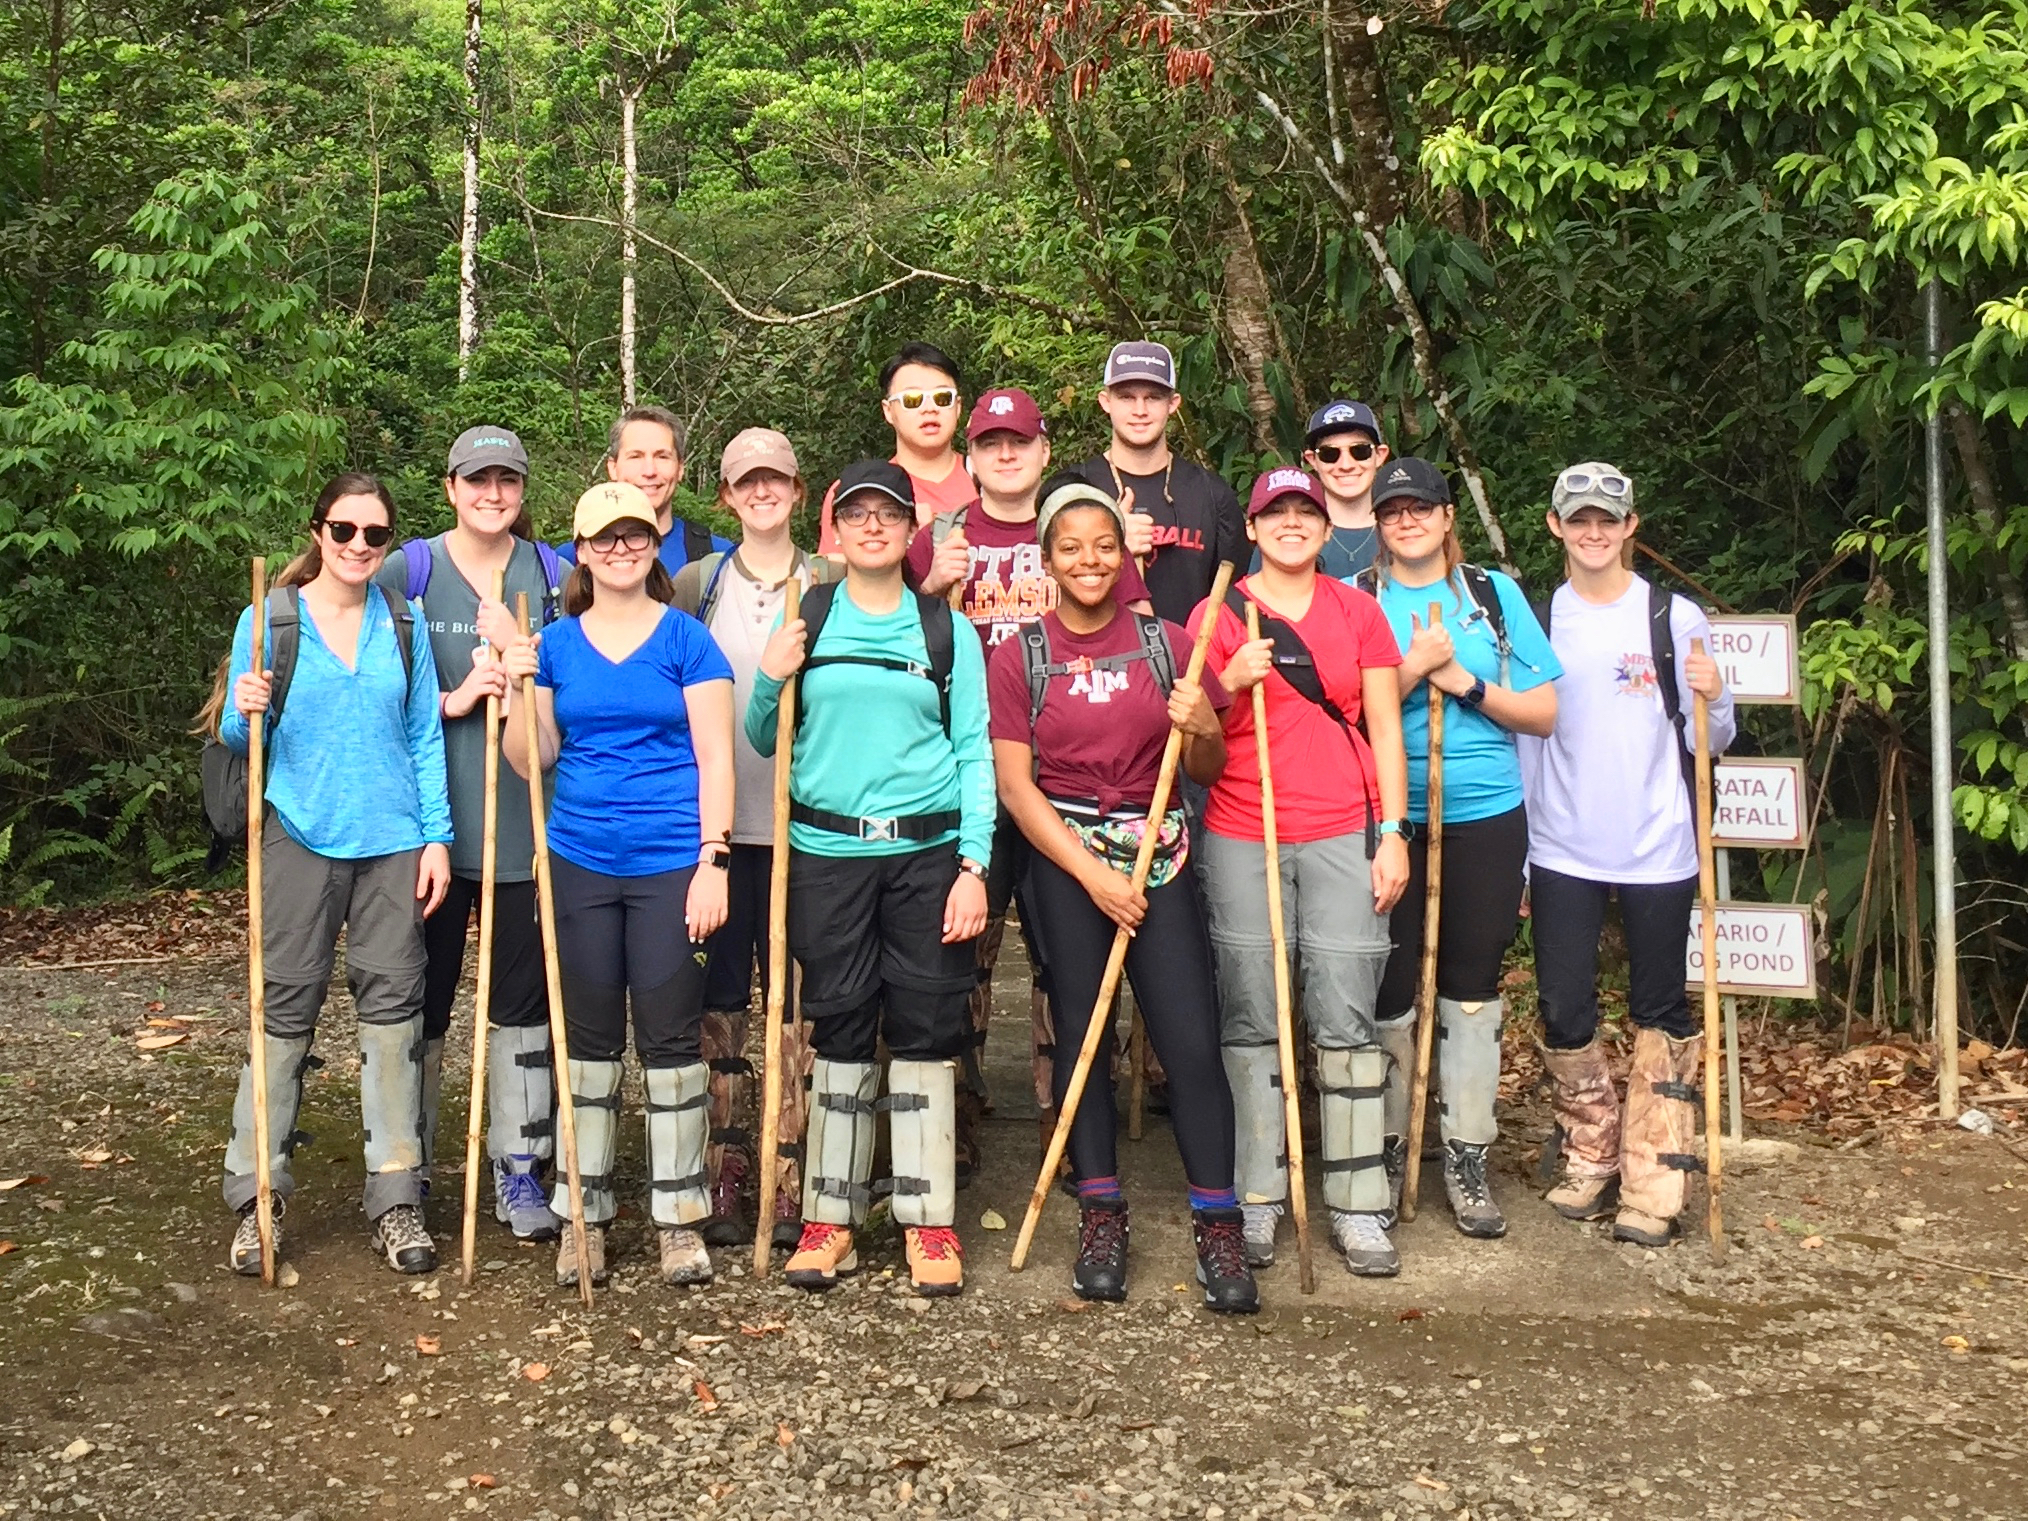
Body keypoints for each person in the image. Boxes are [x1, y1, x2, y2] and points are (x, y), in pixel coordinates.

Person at [988, 479, 1258, 1312]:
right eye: (1070, 546)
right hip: (1069, 864)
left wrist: (1205, 722)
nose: (1089, 559)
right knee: (1082, 1034)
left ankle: (1218, 1220)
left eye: (1103, 544)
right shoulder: (1020, 653)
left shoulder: (1171, 643)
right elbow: (1015, 787)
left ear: (1125, 553)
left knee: (1189, 1039)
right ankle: (1101, 1209)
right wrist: (1092, 875)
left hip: (1161, 854)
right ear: (1047, 559)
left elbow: (1206, 768)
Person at [748, 460, 992, 1297]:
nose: (874, 527)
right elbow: (759, 737)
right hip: (829, 855)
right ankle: (831, 1218)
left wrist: (974, 866)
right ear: (836, 529)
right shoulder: (807, 615)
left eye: (888, 514)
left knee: (927, 1029)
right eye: (857, 515)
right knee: (842, 1027)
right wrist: (773, 672)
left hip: (927, 854)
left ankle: (928, 1222)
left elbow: (974, 754)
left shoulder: (945, 628)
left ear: (908, 527)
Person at [907, 390, 1152, 1180]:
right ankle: (960, 1107)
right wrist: (929, 585)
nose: (1006, 455)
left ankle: (1069, 1113)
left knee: (1064, 957)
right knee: (962, 950)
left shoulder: (1079, 535)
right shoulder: (937, 541)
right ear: (969, 458)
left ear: (1046, 452)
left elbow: (1138, 636)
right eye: (991, 444)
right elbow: (893, 653)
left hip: (1066, 780)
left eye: (1021, 442)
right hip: (966, 775)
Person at [213, 471, 453, 1276]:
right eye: (344, 530)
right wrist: (240, 707)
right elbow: (239, 736)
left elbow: (424, 737)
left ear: (388, 542)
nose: (358, 546)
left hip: (390, 840)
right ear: (318, 531)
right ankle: (257, 1199)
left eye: (374, 535)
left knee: (394, 1013)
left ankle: (397, 1196)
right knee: (282, 1005)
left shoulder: (405, 622)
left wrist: (437, 838)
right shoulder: (270, 619)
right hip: (301, 833)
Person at [500, 481, 737, 1288]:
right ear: (581, 549)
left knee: (672, 1044)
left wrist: (715, 859)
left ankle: (678, 1218)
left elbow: (716, 757)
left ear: (651, 544)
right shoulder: (556, 644)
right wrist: (516, 688)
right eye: (605, 538)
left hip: (674, 859)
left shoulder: (687, 640)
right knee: (590, 1043)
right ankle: (583, 1215)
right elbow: (534, 759)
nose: (622, 548)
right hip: (579, 858)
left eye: (635, 535)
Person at [1188, 465, 1412, 1278]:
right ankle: (1258, 1195)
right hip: (1244, 826)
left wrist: (1394, 831)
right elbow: (1189, 733)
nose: (1289, 523)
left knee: (1346, 1013)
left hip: (1341, 826)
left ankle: (1357, 1204)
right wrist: (1226, 682)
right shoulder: (1218, 610)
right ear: (1250, 527)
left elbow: (1385, 725)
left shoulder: (1359, 611)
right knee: (1251, 1014)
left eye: (1303, 513)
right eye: (1273, 512)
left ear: (1324, 528)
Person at [1520, 462, 1733, 1248]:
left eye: (1608, 518)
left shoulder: (1673, 619)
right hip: (1562, 844)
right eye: (1579, 518)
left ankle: (1656, 1173)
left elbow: (1713, 739)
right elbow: (1526, 741)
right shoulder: (1540, 618)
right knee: (1565, 1006)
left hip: (1659, 844)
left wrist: (1715, 694)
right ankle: (1590, 1155)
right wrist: (1521, 859)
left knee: (1661, 1008)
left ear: (1631, 525)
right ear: (1556, 526)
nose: (1594, 531)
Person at [1355, 458, 1560, 1240]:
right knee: (1390, 979)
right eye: (1392, 510)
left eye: (1422, 508)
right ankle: (1385, 1140)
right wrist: (1413, 669)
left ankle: (1468, 1153)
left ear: (1447, 517)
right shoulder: (1363, 602)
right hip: (1390, 814)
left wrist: (1464, 683)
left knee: (1471, 982)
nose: (1407, 521)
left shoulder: (1492, 596)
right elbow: (1348, 708)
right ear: (1378, 524)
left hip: (1486, 809)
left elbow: (1542, 712)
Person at [376, 426, 565, 1244]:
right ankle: (406, 1164)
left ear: (524, 491)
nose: (493, 494)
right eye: (477, 480)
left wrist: (520, 662)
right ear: (450, 486)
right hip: (430, 836)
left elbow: (587, 674)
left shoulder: (555, 573)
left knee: (522, 1013)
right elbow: (364, 689)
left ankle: (520, 1167)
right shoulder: (405, 570)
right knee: (422, 1007)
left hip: (528, 836)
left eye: (508, 481)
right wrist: (453, 698)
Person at [671, 428, 837, 1251]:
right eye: (747, 483)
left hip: (810, 828)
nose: (763, 493)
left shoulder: (831, 582)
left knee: (802, 1006)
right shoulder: (697, 584)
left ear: (798, 492)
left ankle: (792, 1168)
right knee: (722, 1001)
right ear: (728, 496)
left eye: (777, 480)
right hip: (723, 830)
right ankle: (725, 1165)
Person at [1068, 340, 1245, 625]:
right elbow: (1054, 593)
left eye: (1153, 397)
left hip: (1190, 663)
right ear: (1105, 402)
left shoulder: (1212, 495)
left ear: (1173, 404)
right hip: (1100, 665)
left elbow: (1233, 603)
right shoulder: (1076, 489)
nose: (1140, 410)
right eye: (1126, 397)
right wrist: (1111, 545)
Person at [816, 343, 977, 553]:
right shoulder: (856, 493)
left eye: (942, 398)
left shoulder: (990, 479)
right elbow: (837, 578)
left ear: (958, 407)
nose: (929, 409)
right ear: (888, 411)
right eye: (912, 400)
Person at [554, 406, 733, 572]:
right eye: (635, 457)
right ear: (613, 468)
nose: (649, 471)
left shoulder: (719, 557)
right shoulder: (565, 562)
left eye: (662, 456)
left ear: (680, 468)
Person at [1297, 399, 1390, 581]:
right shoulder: (1291, 533)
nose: (1346, 465)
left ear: (1380, 455)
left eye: (1360, 451)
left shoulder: (1406, 530)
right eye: (1329, 454)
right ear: (1312, 460)